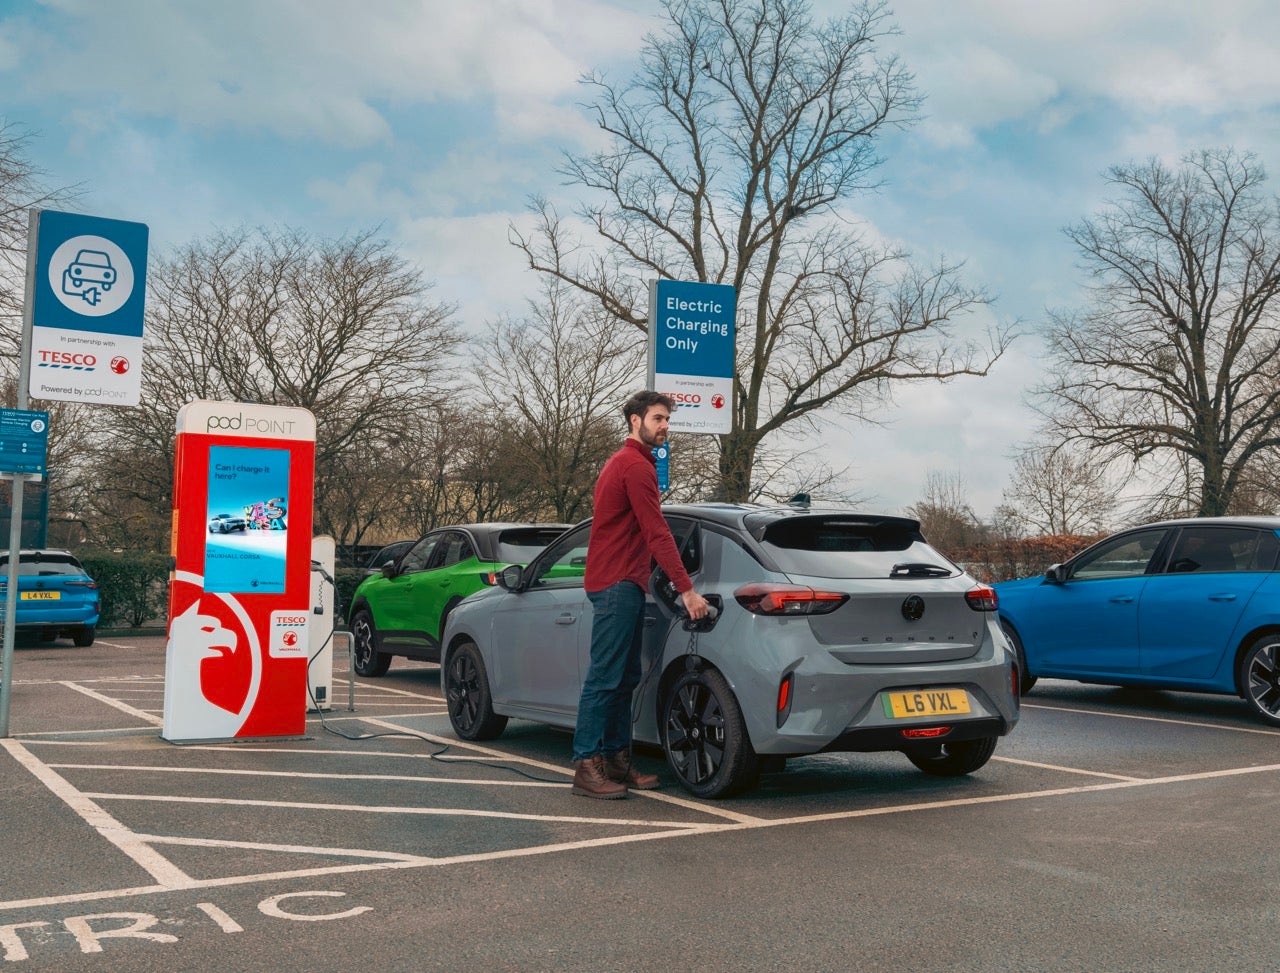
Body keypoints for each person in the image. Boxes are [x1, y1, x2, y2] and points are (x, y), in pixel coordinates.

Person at [571, 390, 709, 799]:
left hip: (624, 582)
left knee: (624, 677)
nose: (665, 425)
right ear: (636, 421)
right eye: (657, 419)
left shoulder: (631, 463)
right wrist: (687, 590)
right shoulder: (633, 466)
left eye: (667, 419)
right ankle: (585, 765)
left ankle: (615, 761)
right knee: (605, 677)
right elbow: (657, 531)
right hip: (616, 583)